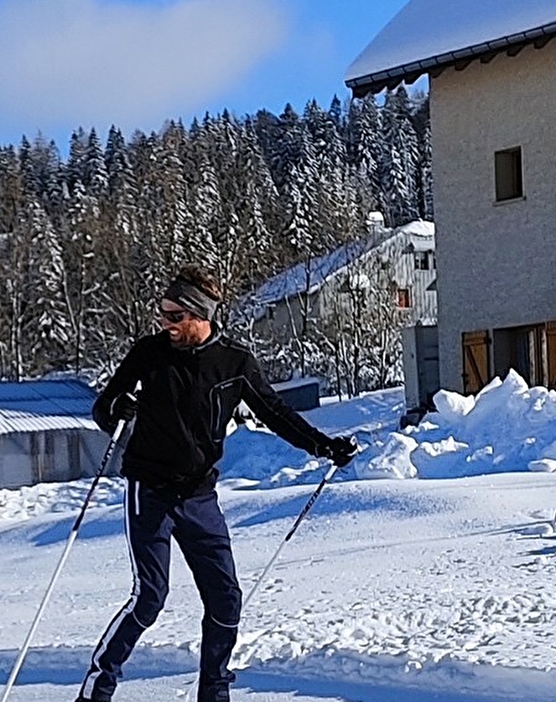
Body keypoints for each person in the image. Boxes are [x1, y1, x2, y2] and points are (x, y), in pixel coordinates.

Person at [76, 264, 358, 702]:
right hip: (148, 490)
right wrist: (118, 408)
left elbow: (275, 413)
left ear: (199, 316)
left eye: (174, 316)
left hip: (199, 497)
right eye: (162, 314)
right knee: (149, 597)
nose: (164, 324)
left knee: (226, 599)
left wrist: (324, 447)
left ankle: (214, 692)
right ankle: (97, 689)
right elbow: (103, 408)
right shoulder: (148, 353)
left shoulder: (234, 363)